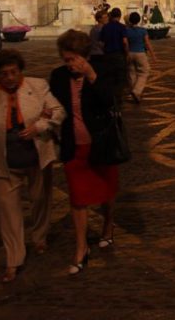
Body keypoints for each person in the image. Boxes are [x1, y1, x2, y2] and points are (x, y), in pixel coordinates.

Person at [0, 49, 66, 283]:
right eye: (4, 74)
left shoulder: (38, 86)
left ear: (21, 71)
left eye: (14, 72)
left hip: (36, 156)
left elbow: (59, 111)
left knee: (40, 198)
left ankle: (39, 236)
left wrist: (40, 126)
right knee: (8, 213)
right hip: (5, 162)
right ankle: (14, 259)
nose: (10, 78)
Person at [50, 29, 121, 276]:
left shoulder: (104, 70)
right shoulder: (58, 77)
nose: (69, 64)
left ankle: (108, 225)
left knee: (107, 192)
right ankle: (81, 248)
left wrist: (91, 75)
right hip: (74, 145)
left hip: (101, 143)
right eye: (65, 59)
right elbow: (53, 105)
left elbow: (110, 100)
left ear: (84, 56)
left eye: (73, 59)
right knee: (78, 199)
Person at [125, 11, 155, 103]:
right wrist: (153, 55)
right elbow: (147, 43)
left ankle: (134, 92)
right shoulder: (142, 30)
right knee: (144, 72)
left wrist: (126, 53)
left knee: (131, 73)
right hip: (140, 53)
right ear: (139, 20)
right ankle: (136, 91)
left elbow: (125, 42)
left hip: (130, 53)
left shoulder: (126, 30)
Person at [100, 7, 129, 90]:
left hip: (108, 54)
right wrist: (127, 53)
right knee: (120, 76)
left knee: (109, 76)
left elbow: (101, 42)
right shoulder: (122, 27)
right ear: (120, 16)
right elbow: (125, 41)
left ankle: (111, 96)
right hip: (119, 54)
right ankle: (118, 96)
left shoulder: (105, 27)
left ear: (111, 16)